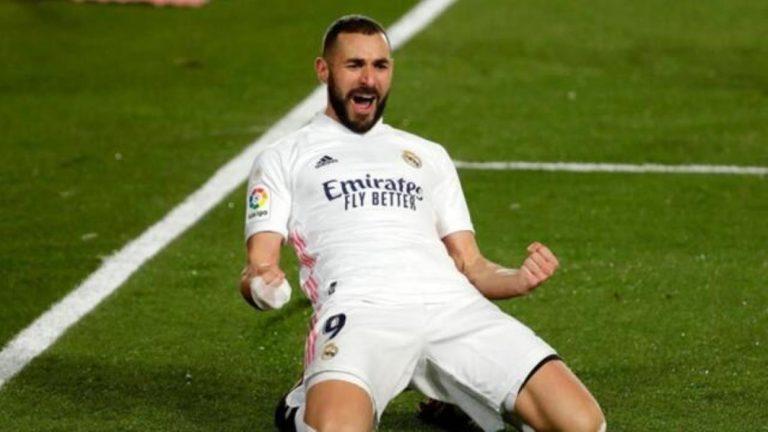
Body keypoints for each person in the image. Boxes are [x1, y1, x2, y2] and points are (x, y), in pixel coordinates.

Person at [240, 15, 605, 432]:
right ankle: (303, 402)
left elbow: (471, 265)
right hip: (361, 312)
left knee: (583, 425)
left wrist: (517, 279)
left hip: (452, 308)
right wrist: (262, 285)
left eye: (380, 66)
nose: (368, 79)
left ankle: (459, 394)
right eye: (354, 65)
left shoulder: (428, 155)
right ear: (324, 70)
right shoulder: (284, 156)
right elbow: (259, 265)